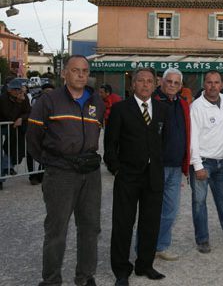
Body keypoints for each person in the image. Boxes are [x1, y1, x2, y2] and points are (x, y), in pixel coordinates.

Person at [27, 55, 105, 286]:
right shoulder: (48, 100)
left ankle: (85, 276)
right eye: (75, 70)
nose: (81, 75)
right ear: (64, 74)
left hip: (90, 172)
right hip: (61, 173)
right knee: (56, 230)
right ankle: (51, 280)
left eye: (84, 70)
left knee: (90, 227)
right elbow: (33, 137)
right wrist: (50, 161)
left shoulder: (96, 102)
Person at [104, 67, 168, 286]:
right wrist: (116, 169)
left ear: (155, 84)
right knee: (123, 223)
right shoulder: (120, 109)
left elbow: (164, 141)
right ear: (133, 84)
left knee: (150, 223)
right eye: (141, 81)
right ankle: (121, 270)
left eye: (149, 81)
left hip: (154, 176)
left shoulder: (161, 109)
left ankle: (145, 264)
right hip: (128, 176)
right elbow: (110, 144)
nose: (145, 85)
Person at [189, 70, 223, 254]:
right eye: (209, 82)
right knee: (199, 202)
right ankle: (202, 240)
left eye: (216, 82)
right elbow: (192, 138)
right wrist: (197, 165)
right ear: (204, 85)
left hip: (220, 162)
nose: (213, 86)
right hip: (203, 161)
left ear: (221, 85)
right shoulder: (196, 107)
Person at [152, 68, 191, 261]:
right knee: (151, 211)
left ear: (181, 86)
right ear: (161, 82)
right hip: (156, 167)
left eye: (176, 83)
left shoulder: (183, 104)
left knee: (170, 211)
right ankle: (144, 247)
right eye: (169, 82)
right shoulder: (152, 102)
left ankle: (161, 245)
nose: (172, 86)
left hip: (176, 167)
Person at [0, 79, 34, 183]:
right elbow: (10, 116)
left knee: (16, 147)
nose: (18, 91)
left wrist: (21, 119)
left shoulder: (24, 98)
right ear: (9, 90)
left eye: (19, 89)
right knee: (3, 150)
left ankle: (7, 168)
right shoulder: (3, 99)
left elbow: (29, 112)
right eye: (15, 89)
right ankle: (5, 170)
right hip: (3, 126)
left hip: (15, 127)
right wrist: (19, 103)